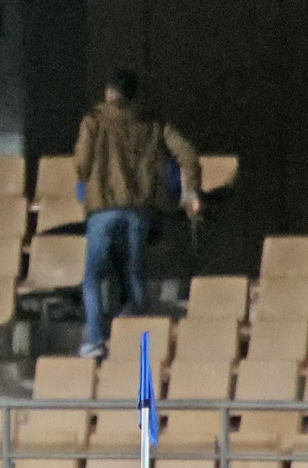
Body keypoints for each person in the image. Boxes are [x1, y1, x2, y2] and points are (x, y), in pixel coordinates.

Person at [74, 70, 201, 360]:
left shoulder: (93, 120)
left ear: (109, 92)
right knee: (134, 272)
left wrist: (91, 176)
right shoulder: (153, 122)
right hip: (139, 210)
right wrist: (189, 191)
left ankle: (95, 339)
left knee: (92, 277)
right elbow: (187, 154)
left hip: (103, 209)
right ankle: (133, 328)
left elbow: (81, 163)